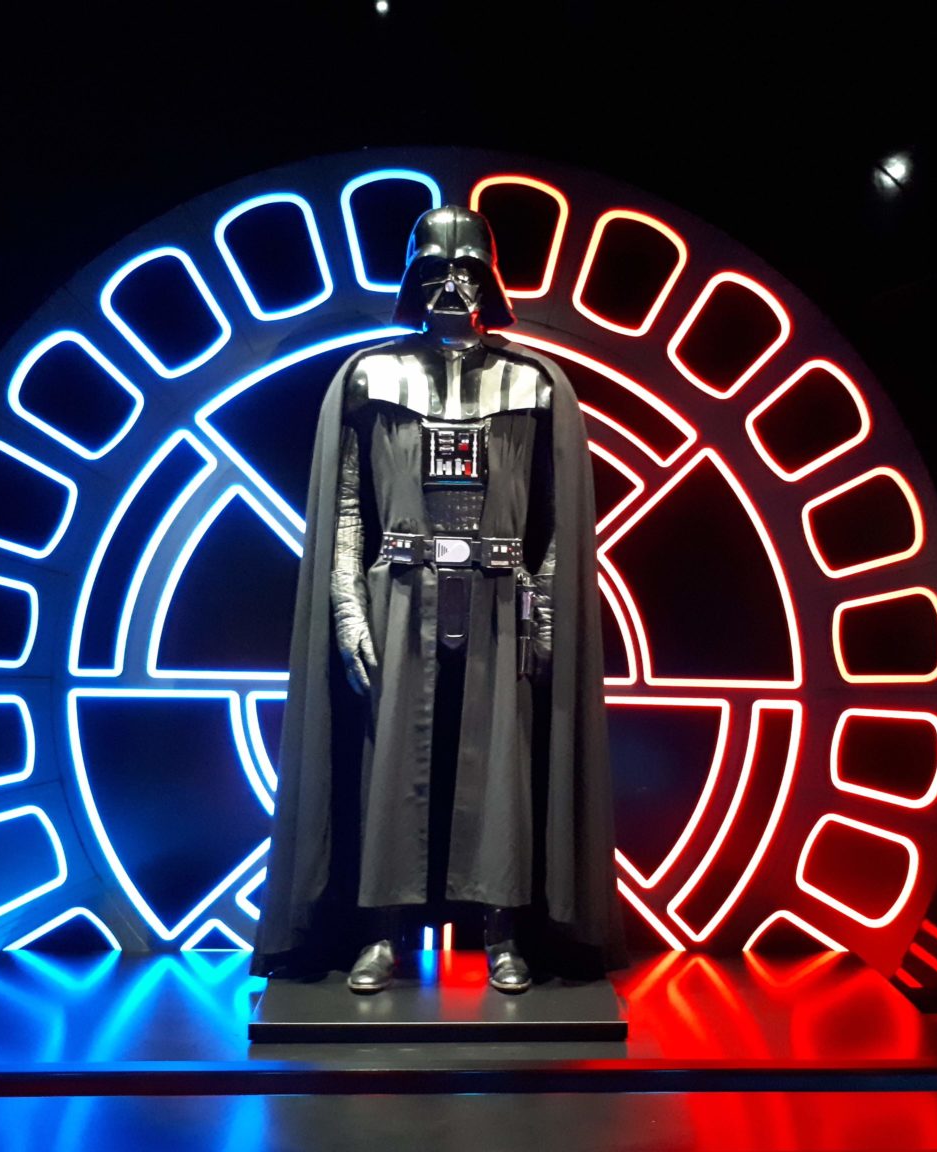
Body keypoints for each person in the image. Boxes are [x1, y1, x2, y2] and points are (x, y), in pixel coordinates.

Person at [252, 205, 624, 993]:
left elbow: (557, 520)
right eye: (434, 269)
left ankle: (502, 930)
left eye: (467, 269)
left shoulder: (532, 383)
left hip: (499, 599)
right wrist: (347, 606)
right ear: (412, 278)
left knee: (502, 767)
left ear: (491, 279)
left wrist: (544, 608)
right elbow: (346, 511)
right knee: (389, 763)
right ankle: (379, 933)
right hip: (399, 593)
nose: (451, 285)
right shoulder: (369, 377)